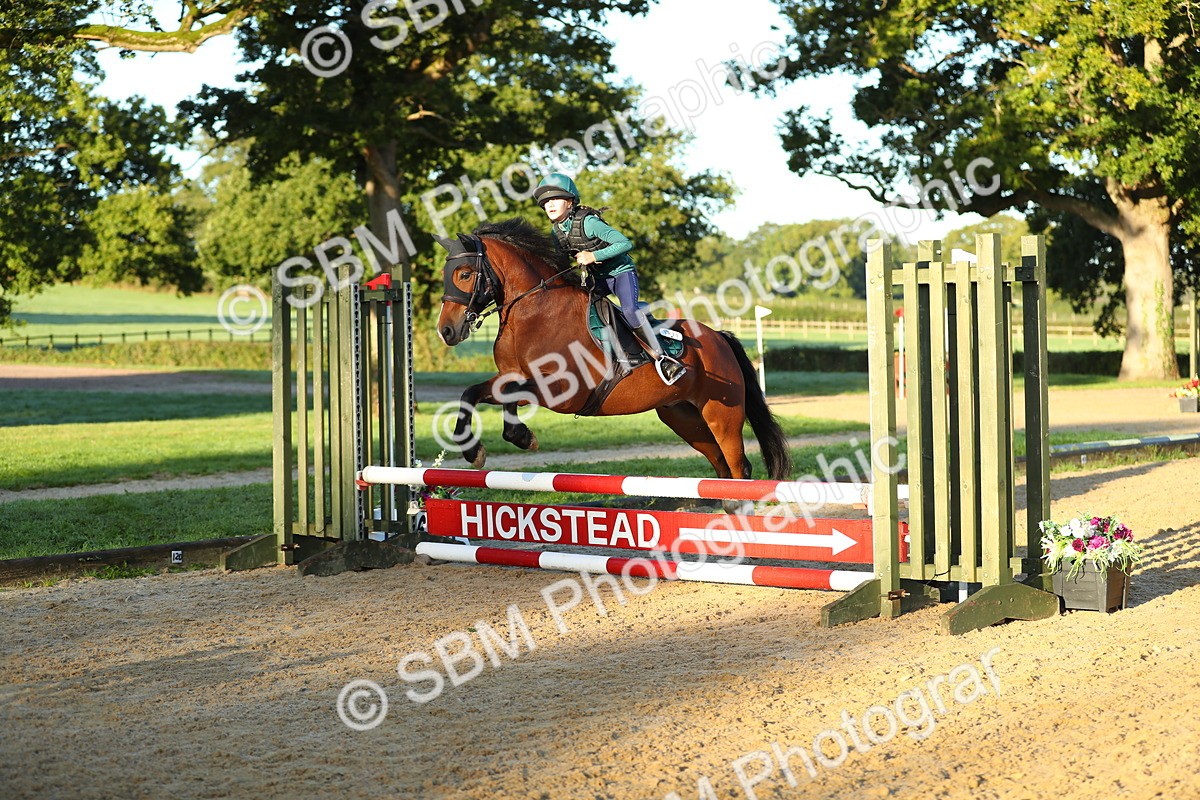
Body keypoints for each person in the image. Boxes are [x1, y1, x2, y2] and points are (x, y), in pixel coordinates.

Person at [533, 173, 685, 384]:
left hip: (621, 274)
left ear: (569, 202)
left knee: (630, 310)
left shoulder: (589, 223)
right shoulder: (556, 232)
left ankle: (664, 358)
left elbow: (625, 243)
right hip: (598, 280)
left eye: (555, 199)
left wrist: (593, 256)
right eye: (545, 202)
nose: (549, 204)